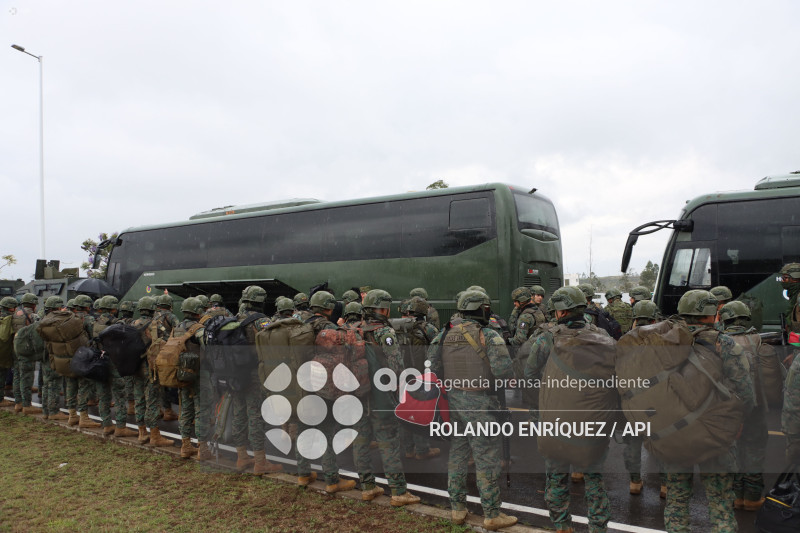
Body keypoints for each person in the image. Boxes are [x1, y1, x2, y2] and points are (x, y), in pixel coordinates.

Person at [662, 290, 754, 533]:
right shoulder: (726, 344)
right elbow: (745, 393)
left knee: (677, 500)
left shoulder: (666, 343)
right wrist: (737, 422)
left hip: (675, 433)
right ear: (712, 314)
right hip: (715, 434)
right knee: (721, 501)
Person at [525, 286, 613, 533]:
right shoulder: (603, 336)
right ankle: (598, 528)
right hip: (592, 422)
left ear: (561, 312)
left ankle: (562, 526)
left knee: (556, 477)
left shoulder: (547, 338)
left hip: (557, 422)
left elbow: (530, 374)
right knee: (594, 480)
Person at [428, 290, 517, 531]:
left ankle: (457, 508)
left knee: (457, 454)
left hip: (453, 401)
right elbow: (504, 373)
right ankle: (492, 513)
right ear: (481, 309)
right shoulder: (489, 335)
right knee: (486, 457)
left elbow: (432, 367)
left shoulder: (444, 333)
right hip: (480, 403)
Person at [355, 289, 420, 507]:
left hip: (358, 395)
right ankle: (398, 491)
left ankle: (367, 487)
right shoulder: (385, 333)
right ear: (384, 309)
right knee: (388, 441)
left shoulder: (354, 330)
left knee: (361, 441)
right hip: (380, 396)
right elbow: (397, 367)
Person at [294, 290, 354, 489]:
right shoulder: (328, 328)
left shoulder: (302, 325)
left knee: (303, 429)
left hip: (302, 385)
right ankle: (332, 480)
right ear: (329, 307)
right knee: (327, 431)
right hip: (322, 387)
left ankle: (303, 474)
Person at [719, 300, 769, 511]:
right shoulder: (756, 339)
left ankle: (736, 495)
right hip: (755, 405)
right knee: (754, 448)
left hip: (728, 407)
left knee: (732, 450)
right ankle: (753, 497)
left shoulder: (718, 341)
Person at [233, 285, 282, 474]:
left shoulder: (235, 318)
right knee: (255, 416)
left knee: (239, 414)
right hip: (254, 374)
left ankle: (241, 457)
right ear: (261, 300)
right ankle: (260, 462)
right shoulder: (261, 320)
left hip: (236, 374)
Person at [131, 296, 173, 447]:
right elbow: (167, 339)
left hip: (135, 366)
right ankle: (155, 435)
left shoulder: (132, 324)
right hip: (150, 367)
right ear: (152, 309)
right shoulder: (156, 324)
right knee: (152, 400)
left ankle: (142, 432)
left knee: (139, 398)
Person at [173, 297, 211, 459]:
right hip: (199, 374)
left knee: (185, 410)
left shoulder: (176, 328)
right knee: (201, 410)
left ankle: (186, 446)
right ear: (198, 312)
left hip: (181, 374)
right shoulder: (198, 329)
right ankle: (203, 449)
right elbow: (209, 347)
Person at [11, 293, 41, 414]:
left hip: (15, 347)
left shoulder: (15, 315)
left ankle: (18, 403)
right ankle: (27, 405)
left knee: (17, 375)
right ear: (33, 304)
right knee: (27, 377)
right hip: (27, 349)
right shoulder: (33, 316)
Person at [156, 293, 180, 422]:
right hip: (168, 353)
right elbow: (178, 331)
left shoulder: (154, 316)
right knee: (173, 380)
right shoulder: (171, 316)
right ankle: (176, 412)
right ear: (170, 305)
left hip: (155, 353)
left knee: (159, 382)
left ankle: (164, 409)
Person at [0, 297, 19, 408]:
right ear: (11, 308)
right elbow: (4, 336)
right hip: (3, 352)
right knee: (1, 375)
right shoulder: (9, 319)